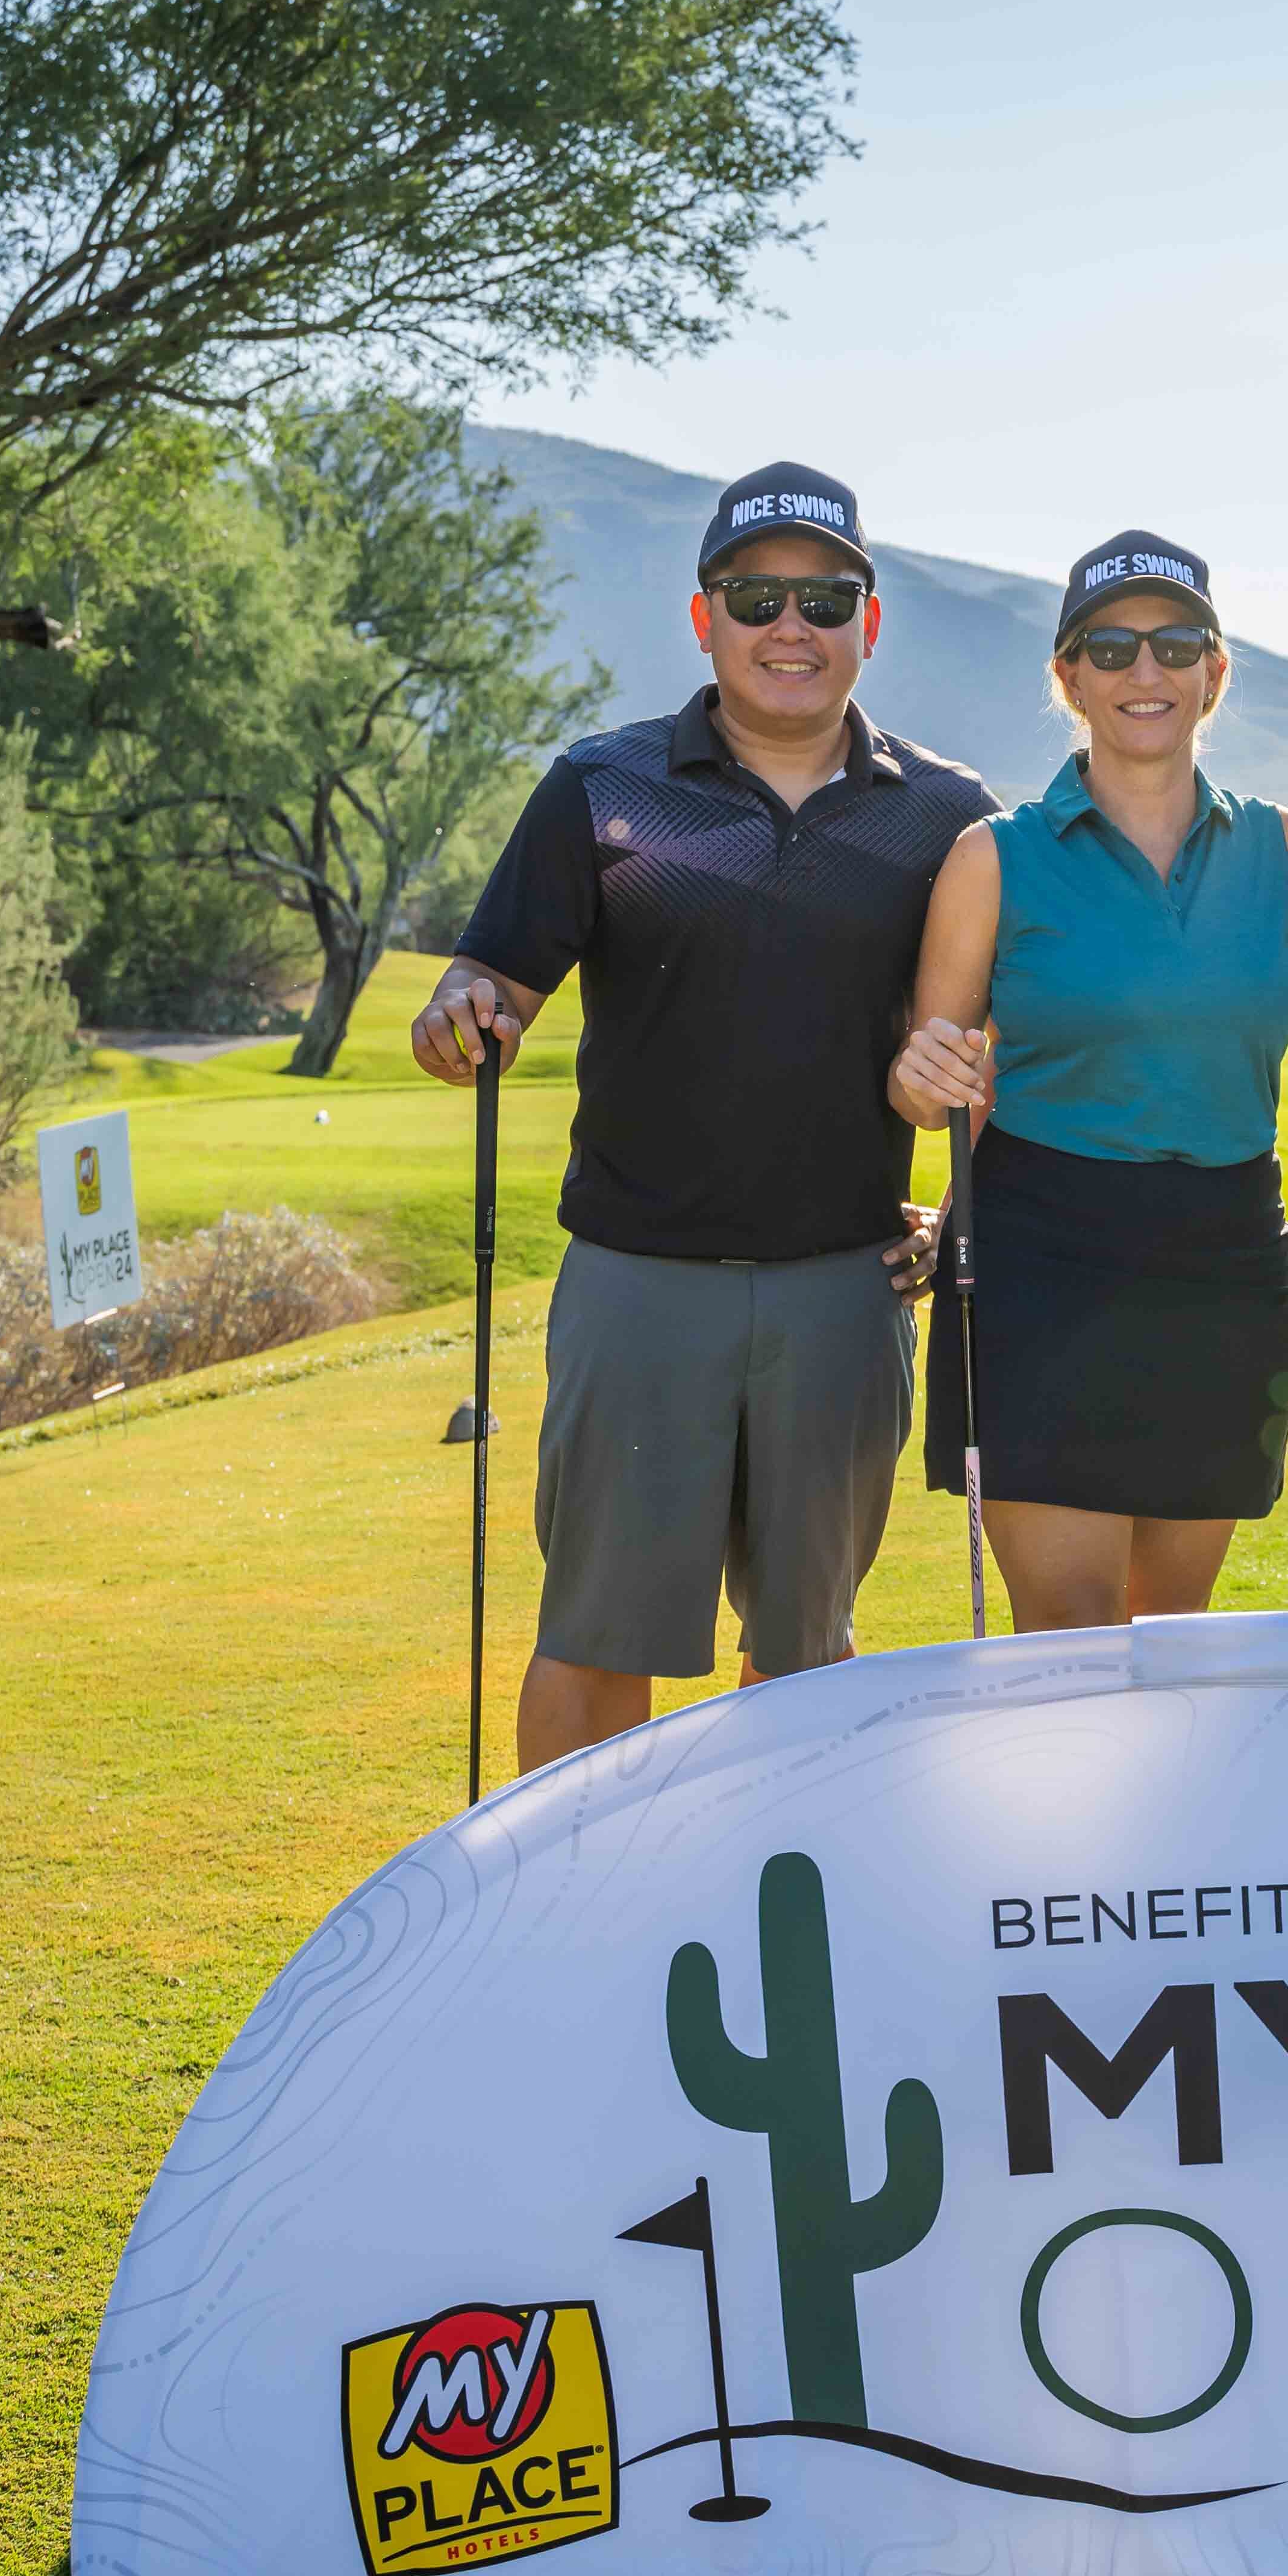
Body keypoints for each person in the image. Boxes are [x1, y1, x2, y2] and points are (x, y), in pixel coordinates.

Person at [410, 461, 990, 1771]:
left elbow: (991, 1046)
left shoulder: (950, 817)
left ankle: (771, 1916)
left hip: (843, 1285)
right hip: (637, 1277)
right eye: (755, 596)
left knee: (807, 1652)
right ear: (704, 618)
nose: (791, 626)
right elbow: (488, 981)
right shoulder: (601, 788)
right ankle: (572, 1916)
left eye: (824, 598)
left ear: (869, 622)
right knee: (597, 1636)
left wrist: (955, 1214)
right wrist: (458, 1017)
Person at [885, 532, 1288, 1632]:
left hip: (1226, 1258)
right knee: (1067, 1632)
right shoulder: (995, 856)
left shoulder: (1276, 851)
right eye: (1110, 649)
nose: (1144, 673)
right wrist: (921, 1076)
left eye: (1175, 645)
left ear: (1215, 671)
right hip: (1040, 1256)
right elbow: (929, 1078)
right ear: (1068, 676)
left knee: (1173, 1636)